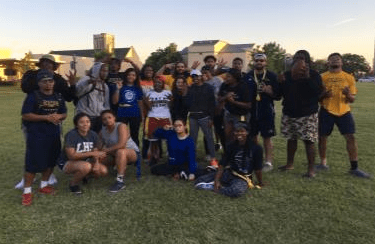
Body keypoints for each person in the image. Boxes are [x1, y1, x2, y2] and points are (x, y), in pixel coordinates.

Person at [317, 53, 370, 178]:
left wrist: (348, 94)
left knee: (350, 137)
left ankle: (354, 167)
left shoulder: (348, 77)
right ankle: (323, 163)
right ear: (328, 63)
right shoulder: (322, 77)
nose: (335, 61)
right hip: (326, 110)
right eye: (332, 59)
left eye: (338, 59)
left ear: (342, 63)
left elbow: (352, 99)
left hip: (344, 111)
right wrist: (324, 95)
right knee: (322, 137)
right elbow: (317, 98)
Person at [21, 70, 67, 205]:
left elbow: (64, 113)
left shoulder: (58, 97)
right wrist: (46, 117)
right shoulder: (33, 96)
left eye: (50, 81)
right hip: (37, 136)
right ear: (39, 83)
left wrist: (59, 116)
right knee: (33, 164)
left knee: (50, 161)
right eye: (44, 81)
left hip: (53, 135)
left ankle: (44, 185)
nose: (48, 84)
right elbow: (26, 115)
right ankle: (27, 192)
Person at [278, 50, 323, 178]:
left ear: (308, 61)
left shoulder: (314, 75)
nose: (299, 60)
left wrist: (307, 77)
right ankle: (289, 164)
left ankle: (311, 170)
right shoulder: (287, 75)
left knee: (309, 141)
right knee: (291, 139)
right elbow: (278, 95)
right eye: (296, 58)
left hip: (307, 113)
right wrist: (279, 83)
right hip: (289, 112)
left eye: (302, 58)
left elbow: (316, 93)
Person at [195, 122, 263, 198]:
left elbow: (258, 169)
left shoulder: (256, 148)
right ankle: (217, 183)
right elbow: (222, 164)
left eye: (242, 131)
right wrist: (217, 180)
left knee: (236, 191)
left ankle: (215, 188)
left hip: (242, 178)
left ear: (247, 132)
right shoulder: (231, 145)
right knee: (199, 180)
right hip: (229, 173)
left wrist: (260, 183)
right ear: (234, 132)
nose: (239, 134)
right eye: (237, 131)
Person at [58, 113, 108, 195]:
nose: (85, 124)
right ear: (76, 124)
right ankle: (73, 184)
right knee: (86, 166)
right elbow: (72, 156)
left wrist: (96, 163)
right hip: (67, 162)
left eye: (87, 122)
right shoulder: (72, 135)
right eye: (81, 122)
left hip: (84, 162)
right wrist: (91, 153)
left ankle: (84, 176)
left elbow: (95, 151)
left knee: (103, 170)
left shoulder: (93, 134)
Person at [245, 54, 280, 172]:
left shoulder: (271, 76)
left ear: (266, 62)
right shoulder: (248, 75)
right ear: (253, 62)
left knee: (267, 137)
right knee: (253, 136)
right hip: (252, 111)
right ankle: (256, 158)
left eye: (262, 60)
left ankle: (268, 162)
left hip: (266, 110)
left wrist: (268, 91)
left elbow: (278, 96)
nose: (259, 62)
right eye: (257, 60)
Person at [183, 69, 218, 168]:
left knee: (209, 138)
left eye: (197, 76)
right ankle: (192, 158)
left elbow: (212, 104)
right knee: (193, 138)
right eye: (193, 77)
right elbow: (186, 103)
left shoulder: (208, 87)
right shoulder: (190, 88)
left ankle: (213, 159)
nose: (195, 79)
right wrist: (186, 91)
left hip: (205, 116)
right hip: (193, 116)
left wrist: (211, 118)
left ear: (201, 76)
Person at [100, 110, 141, 193]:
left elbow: (122, 144)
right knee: (99, 157)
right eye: (104, 119)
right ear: (102, 121)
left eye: (109, 117)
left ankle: (120, 181)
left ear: (114, 118)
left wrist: (106, 150)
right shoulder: (102, 131)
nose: (107, 120)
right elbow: (99, 146)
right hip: (114, 154)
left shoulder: (121, 126)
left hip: (131, 153)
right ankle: (88, 174)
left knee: (120, 151)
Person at [217, 68, 252, 149]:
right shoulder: (224, 85)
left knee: (241, 136)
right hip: (229, 113)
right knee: (228, 134)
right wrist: (226, 97)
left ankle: (242, 154)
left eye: (228, 76)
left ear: (235, 78)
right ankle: (230, 154)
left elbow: (248, 105)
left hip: (242, 114)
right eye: (226, 76)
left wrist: (233, 102)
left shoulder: (243, 87)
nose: (226, 78)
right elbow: (219, 99)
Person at [144, 75, 172, 165]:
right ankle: (154, 157)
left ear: (163, 84)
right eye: (155, 83)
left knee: (168, 139)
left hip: (165, 117)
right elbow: (149, 106)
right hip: (153, 117)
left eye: (159, 82)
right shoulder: (149, 93)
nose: (157, 84)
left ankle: (171, 156)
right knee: (153, 139)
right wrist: (149, 101)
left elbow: (171, 105)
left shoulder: (168, 93)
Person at [112, 68, 144, 146]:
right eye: (129, 75)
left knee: (134, 134)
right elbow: (114, 101)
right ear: (126, 76)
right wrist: (117, 89)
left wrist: (142, 116)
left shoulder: (138, 88)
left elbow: (140, 103)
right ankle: (121, 151)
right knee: (121, 134)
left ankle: (136, 153)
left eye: (133, 75)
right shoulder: (121, 86)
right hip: (122, 113)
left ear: (136, 77)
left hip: (134, 113)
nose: (131, 77)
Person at [75, 62, 110, 133]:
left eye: (106, 71)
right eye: (103, 71)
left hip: (99, 118)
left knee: (97, 140)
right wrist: (88, 82)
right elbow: (78, 91)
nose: (105, 73)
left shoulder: (104, 85)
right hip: (85, 116)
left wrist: (106, 116)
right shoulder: (86, 79)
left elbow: (106, 103)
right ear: (97, 70)